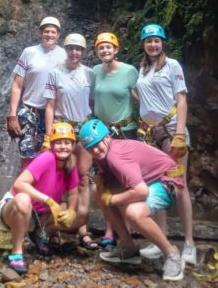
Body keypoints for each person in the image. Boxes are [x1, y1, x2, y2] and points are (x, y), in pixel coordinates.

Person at [79, 119, 186, 281]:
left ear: (107, 137)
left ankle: (172, 254)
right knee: (98, 191)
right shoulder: (104, 153)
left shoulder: (116, 156)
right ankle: (129, 247)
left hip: (168, 180)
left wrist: (113, 199)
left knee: (134, 213)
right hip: (149, 180)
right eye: (90, 148)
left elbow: (141, 191)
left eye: (97, 143)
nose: (95, 149)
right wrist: (102, 184)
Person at [135, 24, 196, 265]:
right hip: (151, 135)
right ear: (143, 44)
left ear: (163, 43)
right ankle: (159, 240)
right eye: (148, 41)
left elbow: (181, 100)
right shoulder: (143, 68)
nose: (153, 44)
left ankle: (189, 242)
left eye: (156, 41)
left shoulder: (172, 66)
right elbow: (142, 94)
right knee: (156, 186)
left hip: (172, 133)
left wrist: (180, 134)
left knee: (179, 186)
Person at [0, 123, 80, 274]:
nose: (63, 147)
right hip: (14, 208)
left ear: (73, 145)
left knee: (76, 213)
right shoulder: (47, 158)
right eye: (59, 143)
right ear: (52, 144)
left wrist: (72, 210)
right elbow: (19, 184)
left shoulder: (71, 164)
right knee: (23, 199)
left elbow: (74, 193)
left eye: (67, 143)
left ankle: (39, 234)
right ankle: (17, 252)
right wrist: (48, 200)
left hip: (40, 215)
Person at [43, 33, 98, 250]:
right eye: (71, 48)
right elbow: (49, 105)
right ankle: (54, 228)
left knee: (83, 179)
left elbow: (96, 101)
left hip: (84, 130)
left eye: (79, 49)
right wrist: (49, 137)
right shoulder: (55, 73)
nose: (74, 52)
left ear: (83, 52)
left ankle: (82, 228)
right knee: (59, 178)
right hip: (62, 130)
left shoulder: (90, 74)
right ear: (65, 49)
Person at [93, 32, 139, 248]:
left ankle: (124, 231)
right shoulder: (94, 72)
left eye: (108, 47)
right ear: (97, 51)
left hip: (124, 132)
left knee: (123, 181)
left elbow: (143, 96)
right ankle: (110, 229)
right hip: (100, 134)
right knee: (105, 181)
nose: (105, 50)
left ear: (116, 49)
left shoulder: (130, 72)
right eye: (101, 47)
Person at [6, 16, 66, 171]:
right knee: (27, 158)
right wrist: (12, 115)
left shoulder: (65, 55)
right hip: (30, 113)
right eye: (46, 31)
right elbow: (17, 85)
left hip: (56, 115)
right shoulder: (29, 52)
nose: (50, 35)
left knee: (55, 159)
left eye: (53, 32)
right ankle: (22, 192)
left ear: (58, 35)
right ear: (41, 33)